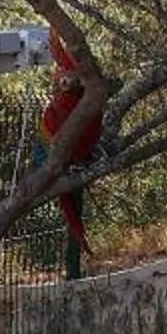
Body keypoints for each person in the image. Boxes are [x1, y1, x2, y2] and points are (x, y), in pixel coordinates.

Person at [38, 34, 102, 258]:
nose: (57, 85)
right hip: (66, 155)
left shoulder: (85, 100)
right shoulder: (60, 107)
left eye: (61, 81)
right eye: (57, 82)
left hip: (76, 150)